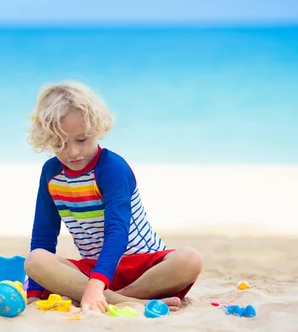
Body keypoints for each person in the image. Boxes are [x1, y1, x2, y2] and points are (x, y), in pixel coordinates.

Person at [24, 81, 203, 313]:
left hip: (145, 271)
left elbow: (117, 233)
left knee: (190, 259)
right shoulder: (51, 174)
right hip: (95, 270)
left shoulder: (112, 168)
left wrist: (96, 287)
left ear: (96, 129)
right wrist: (35, 294)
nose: (73, 152)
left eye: (81, 139)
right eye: (60, 143)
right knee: (35, 260)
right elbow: (43, 235)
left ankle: (114, 297)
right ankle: (122, 302)